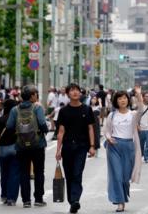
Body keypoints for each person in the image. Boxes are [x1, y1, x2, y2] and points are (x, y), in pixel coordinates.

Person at [55, 83, 96, 214]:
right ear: (67, 94)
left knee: (77, 173)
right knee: (69, 175)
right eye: (72, 90)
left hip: (81, 146)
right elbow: (61, 131)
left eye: (77, 90)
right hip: (67, 147)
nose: (75, 92)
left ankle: (75, 200)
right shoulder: (63, 111)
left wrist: (92, 146)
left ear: (81, 93)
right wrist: (58, 150)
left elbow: (90, 128)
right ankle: (72, 201)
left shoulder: (87, 109)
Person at [6, 85, 48, 208]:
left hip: (21, 146)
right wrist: (44, 131)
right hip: (38, 145)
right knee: (39, 172)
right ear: (31, 96)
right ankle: (39, 199)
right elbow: (42, 123)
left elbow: (9, 126)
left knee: (24, 172)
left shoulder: (15, 110)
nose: (36, 96)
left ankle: (26, 201)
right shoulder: (37, 108)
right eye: (35, 94)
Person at [103, 87, 142, 212]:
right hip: (114, 147)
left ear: (128, 100)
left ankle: (123, 196)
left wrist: (139, 95)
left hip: (129, 146)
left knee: (125, 177)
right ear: (116, 101)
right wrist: (109, 138)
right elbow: (107, 131)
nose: (123, 100)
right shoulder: (112, 115)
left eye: (125, 98)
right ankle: (120, 202)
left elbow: (141, 109)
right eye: (120, 98)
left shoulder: (133, 114)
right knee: (117, 176)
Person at [0, 99, 19, 206]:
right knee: (14, 174)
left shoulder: (0, 120)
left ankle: (4, 195)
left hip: (2, 149)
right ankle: (12, 198)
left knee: (4, 174)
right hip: (15, 149)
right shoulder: (17, 119)